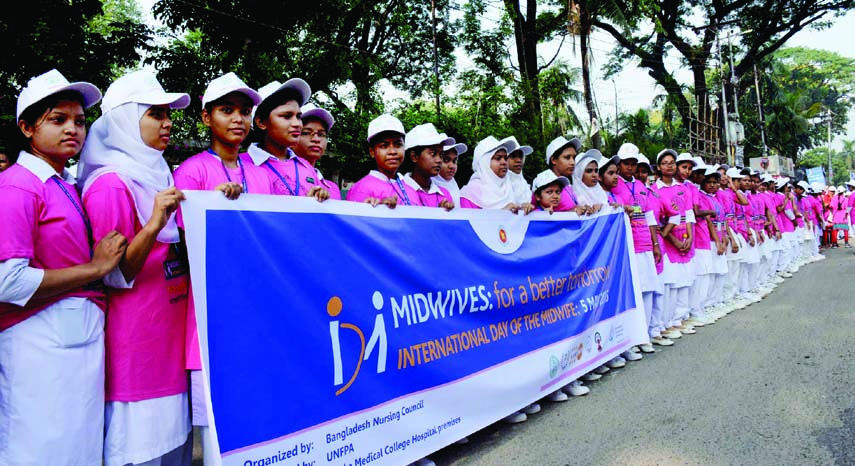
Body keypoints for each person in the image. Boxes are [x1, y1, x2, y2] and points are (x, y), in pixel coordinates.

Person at [0, 69, 128, 465]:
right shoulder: (19, 186)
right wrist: (95, 268)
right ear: (26, 128)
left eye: (79, 120)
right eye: (57, 119)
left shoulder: (64, 183)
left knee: (78, 446)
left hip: (75, 341)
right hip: (38, 341)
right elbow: (8, 282)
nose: (73, 129)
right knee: (41, 446)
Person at [77, 70, 193, 466]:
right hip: (137, 349)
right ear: (126, 121)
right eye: (155, 114)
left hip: (168, 339)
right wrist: (155, 223)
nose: (167, 123)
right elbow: (114, 273)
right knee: (142, 451)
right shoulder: (110, 183)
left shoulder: (154, 171)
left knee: (173, 446)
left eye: (167, 114)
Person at [172, 71, 268, 466]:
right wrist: (214, 207)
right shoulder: (191, 171)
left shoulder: (260, 173)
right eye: (226, 110)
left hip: (257, 311)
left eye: (245, 111)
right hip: (211, 315)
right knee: (215, 421)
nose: (238, 119)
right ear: (205, 116)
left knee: (255, 409)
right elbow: (181, 240)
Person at [611, 143, 662, 353]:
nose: (630, 167)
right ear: (620, 164)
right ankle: (632, 338)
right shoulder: (614, 185)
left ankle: (646, 334)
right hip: (627, 244)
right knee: (633, 290)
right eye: (626, 163)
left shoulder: (642, 186)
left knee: (648, 288)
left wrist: (656, 243)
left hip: (645, 244)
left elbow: (650, 216)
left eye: (633, 163)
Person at [247, 79, 332, 201]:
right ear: (261, 122)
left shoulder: (306, 168)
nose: (297, 124)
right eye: (286, 116)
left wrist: (318, 200)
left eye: (298, 117)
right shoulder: (241, 164)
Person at [345, 114, 408, 208]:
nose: (392, 151)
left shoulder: (409, 185)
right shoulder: (361, 189)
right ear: (372, 151)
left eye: (398, 144)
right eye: (384, 146)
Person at [459, 136, 533, 213]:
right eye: (498, 158)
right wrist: (501, 214)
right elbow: (467, 222)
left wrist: (523, 208)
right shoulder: (471, 192)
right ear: (485, 163)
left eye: (505, 158)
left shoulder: (509, 187)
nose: (504, 162)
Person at [401, 123, 455, 209]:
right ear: (414, 156)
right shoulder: (397, 191)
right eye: (433, 154)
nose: (439, 160)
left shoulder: (444, 195)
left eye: (441, 155)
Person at [501, 136, 533, 204]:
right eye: (513, 156)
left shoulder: (527, 185)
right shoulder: (498, 185)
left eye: (520, 156)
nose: (518, 160)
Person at [432, 142, 466, 206]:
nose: (452, 166)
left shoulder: (452, 184)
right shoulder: (428, 186)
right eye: (446, 160)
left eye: (454, 161)